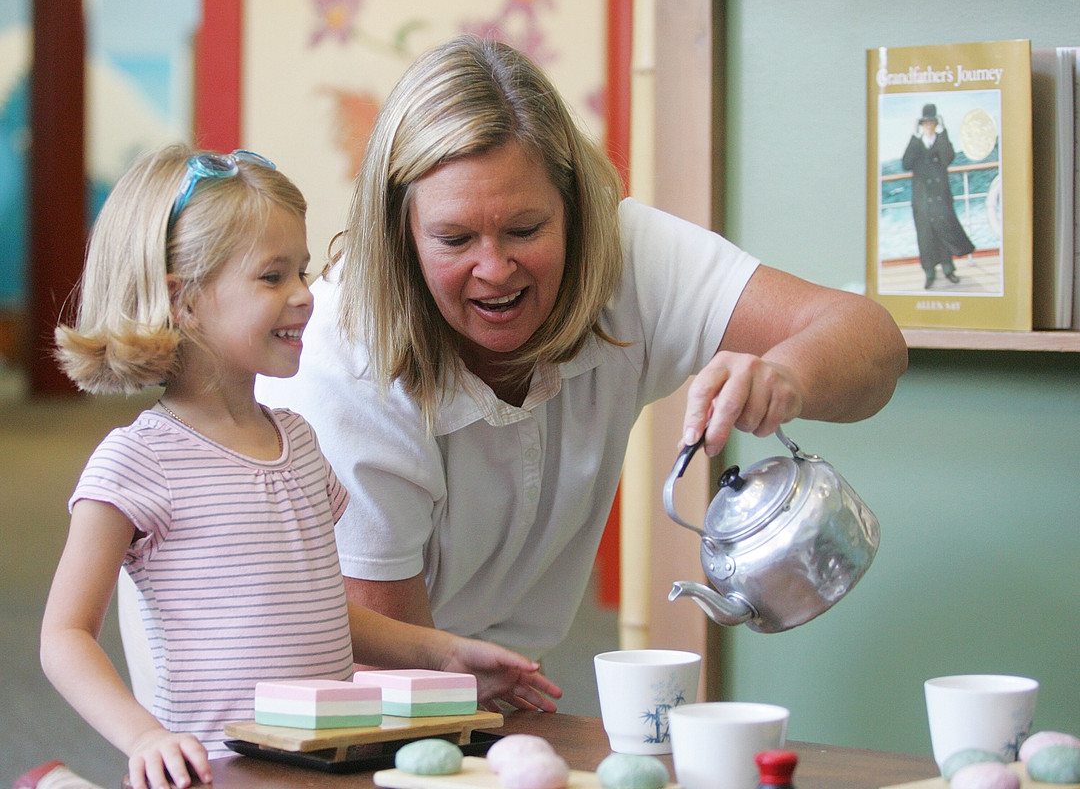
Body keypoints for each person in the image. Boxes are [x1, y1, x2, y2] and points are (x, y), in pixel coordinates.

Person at [256, 35, 908, 662]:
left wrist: (786, 374)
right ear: (402, 235)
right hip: (298, 705)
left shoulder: (629, 256)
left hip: (492, 681)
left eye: (524, 228)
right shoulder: (341, 361)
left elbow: (873, 344)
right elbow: (386, 674)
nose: (495, 268)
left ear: (573, 208)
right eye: (455, 239)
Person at [40, 144, 561, 789]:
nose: (304, 296)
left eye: (303, 271)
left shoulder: (300, 442)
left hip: (319, 764)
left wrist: (444, 653)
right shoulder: (138, 461)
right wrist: (143, 735)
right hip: (217, 773)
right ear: (185, 302)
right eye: (272, 276)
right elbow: (64, 635)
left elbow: (319, 609)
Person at [901, 102, 976, 289]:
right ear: (921, 125)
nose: (928, 127)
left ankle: (949, 270)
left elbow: (948, 158)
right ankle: (929, 273)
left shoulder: (941, 141)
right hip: (922, 200)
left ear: (936, 124)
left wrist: (943, 133)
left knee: (945, 232)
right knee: (925, 237)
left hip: (941, 198)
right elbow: (906, 163)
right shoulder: (917, 144)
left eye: (932, 123)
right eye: (925, 124)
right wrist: (914, 137)